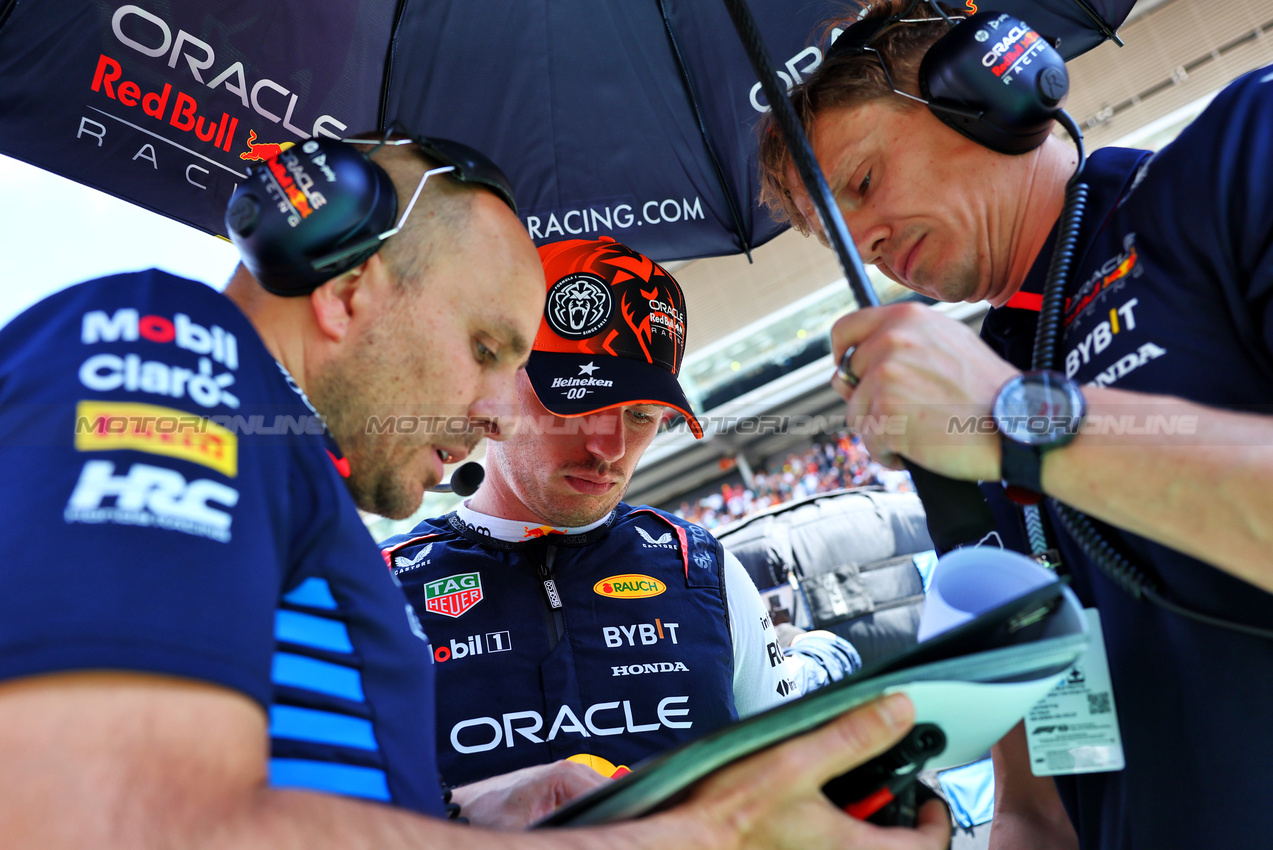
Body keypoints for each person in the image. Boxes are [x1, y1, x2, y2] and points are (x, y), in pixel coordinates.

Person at [0, 134, 950, 850]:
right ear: (348, 291)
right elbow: (101, 814)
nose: (499, 412)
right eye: (487, 348)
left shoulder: (294, 488)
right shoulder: (160, 353)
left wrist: (468, 808)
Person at [757, 2, 1273, 849]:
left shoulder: (1235, 162)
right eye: (832, 234)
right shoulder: (963, 406)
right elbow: (1040, 794)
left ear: (986, 95)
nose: (867, 240)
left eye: (862, 182)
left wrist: (1012, 420)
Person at [381, 237, 861, 804]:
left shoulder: (701, 568)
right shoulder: (382, 590)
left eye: (640, 414)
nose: (609, 447)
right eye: (580, 401)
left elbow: (790, 786)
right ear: (497, 378)